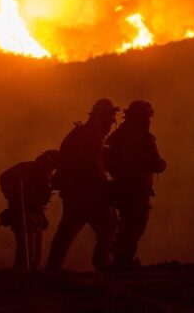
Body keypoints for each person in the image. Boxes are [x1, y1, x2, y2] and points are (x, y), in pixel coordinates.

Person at [46, 99, 119, 271]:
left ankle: (52, 268)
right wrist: (106, 186)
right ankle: (102, 265)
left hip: (72, 193)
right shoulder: (93, 136)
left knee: (66, 232)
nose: (111, 125)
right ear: (102, 118)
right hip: (90, 194)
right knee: (108, 227)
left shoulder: (76, 134)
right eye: (110, 120)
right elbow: (94, 167)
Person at [106, 101, 166, 270]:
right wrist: (162, 165)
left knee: (126, 224)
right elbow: (155, 163)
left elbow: (107, 161)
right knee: (135, 225)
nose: (148, 120)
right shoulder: (145, 138)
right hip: (137, 190)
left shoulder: (117, 136)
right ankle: (123, 261)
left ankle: (120, 258)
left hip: (120, 187)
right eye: (147, 116)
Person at [0, 150, 60, 271]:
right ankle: (19, 276)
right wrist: (12, 195)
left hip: (37, 214)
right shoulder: (26, 168)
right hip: (22, 212)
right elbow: (4, 177)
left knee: (36, 257)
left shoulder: (47, 175)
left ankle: (28, 278)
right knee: (27, 252)